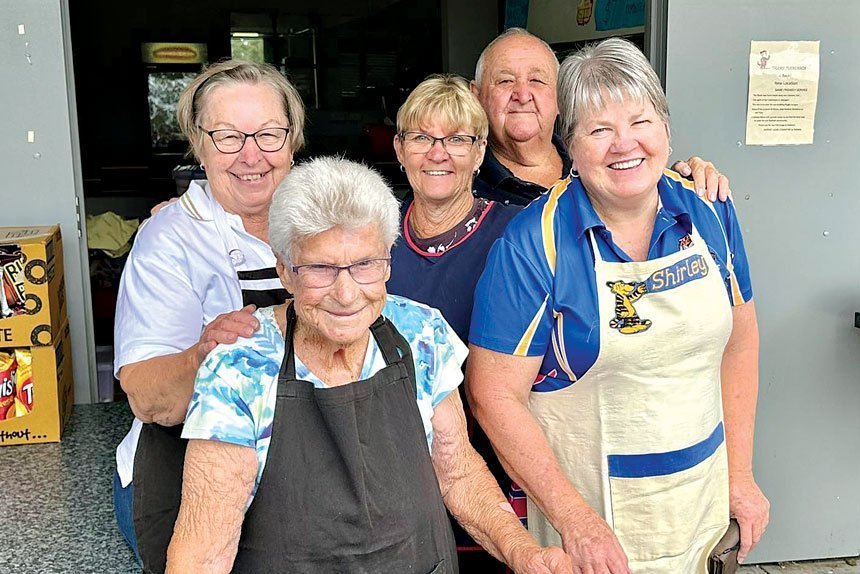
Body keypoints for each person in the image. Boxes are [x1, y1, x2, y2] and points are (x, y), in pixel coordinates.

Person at [165, 157, 571, 574]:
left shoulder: (421, 333)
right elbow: (204, 552)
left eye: (364, 265)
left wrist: (523, 553)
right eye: (321, 268)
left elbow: (458, 473)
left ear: (388, 261)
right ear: (285, 270)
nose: (346, 294)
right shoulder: (239, 370)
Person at [466, 38, 769, 573]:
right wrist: (575, 521)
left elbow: (740, 343)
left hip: (701, 509)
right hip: (594, 531)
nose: (623, 144)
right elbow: (493, 394)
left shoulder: (710, 212)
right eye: (599, 130)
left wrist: (740, 476)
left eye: (640, 121)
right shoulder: (533, 244)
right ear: (571, 146)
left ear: (666, 130)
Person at [112, 60, 302, 571]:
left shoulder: (325, 217)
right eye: (228, 136)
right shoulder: (169, 238)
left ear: (292, 140)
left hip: (300, 461)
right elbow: (147, 396)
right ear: (199, 144)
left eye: (268, 134)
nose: (251, 156)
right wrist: (202, 355)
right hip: (184, 465)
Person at [387, 74, 521, 569]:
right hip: (394, 473)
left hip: (491, 470)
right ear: (400, 149)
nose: (438, 153)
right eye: (422, 137)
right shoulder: (371, 235)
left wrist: (683, 178)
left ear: (480, 150)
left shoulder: (519, 232)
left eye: (458, 139)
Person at [470, 28, 731, 206]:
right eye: (504, 81)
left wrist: (685, 181)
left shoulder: (597, 158)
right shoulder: (461, 187)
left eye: (537, 80)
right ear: (476, 96)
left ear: (561, 97)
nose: (523, 94)